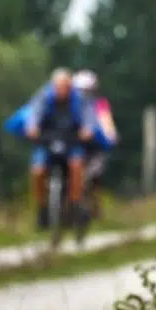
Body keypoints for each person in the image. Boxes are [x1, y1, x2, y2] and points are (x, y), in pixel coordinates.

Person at [25, 68, 96, 229]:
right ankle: (42, 208)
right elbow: (33, 115)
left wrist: (87, 130)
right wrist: (32, 127)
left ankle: (74, 204)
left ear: (70, 87)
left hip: (72, 141)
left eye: (65, 86)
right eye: (58, 87)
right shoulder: (44, 97)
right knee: (37, 171)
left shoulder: (80, 99)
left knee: (77, 166)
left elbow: (88, 118)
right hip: (47, 141)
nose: (62, 90)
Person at [72, 69, 118, 219]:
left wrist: (110, 134)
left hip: (93, 146)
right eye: (79, 90)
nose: (83, 93)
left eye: (86, 90)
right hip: (72, 145)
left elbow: (106, 121)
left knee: (95, 174)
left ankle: (95, 203)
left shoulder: (100, 104)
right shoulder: (68, 104)